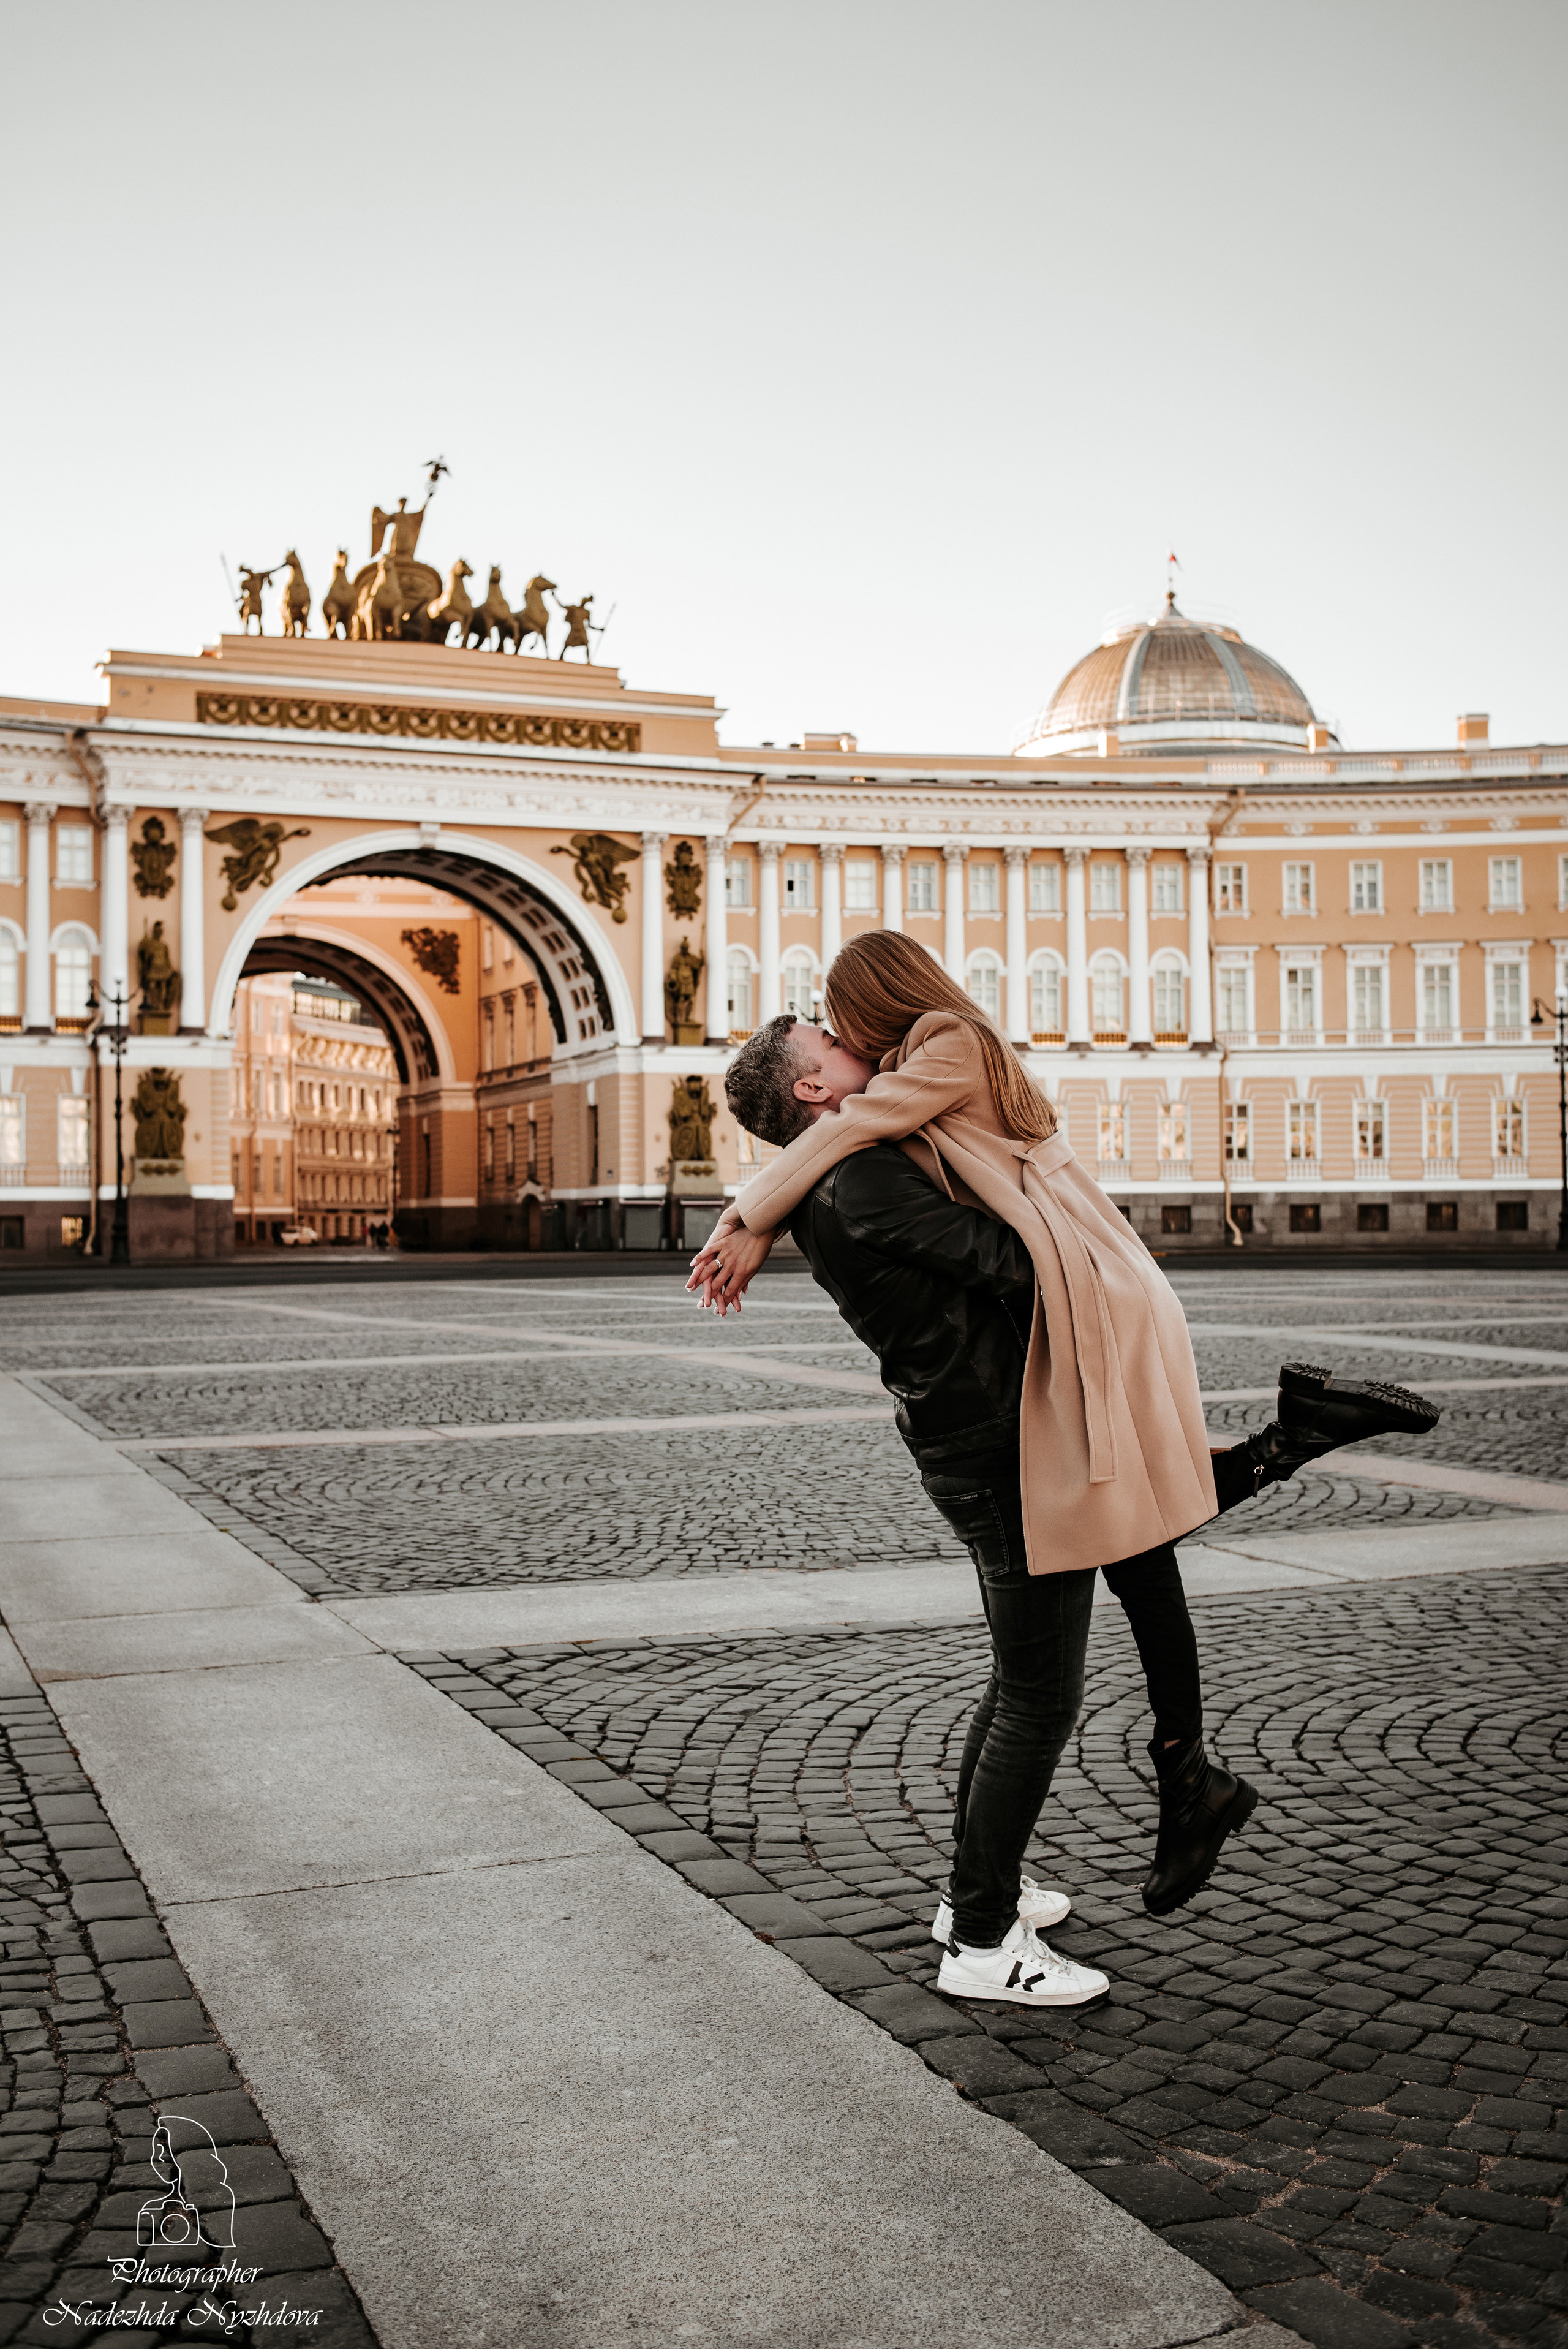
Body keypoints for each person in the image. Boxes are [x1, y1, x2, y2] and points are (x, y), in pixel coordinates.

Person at [702, 978, 1440, 2002]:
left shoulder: (831, 1180)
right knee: (1042, 1697)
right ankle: (980, 1941)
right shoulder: (860, 1181)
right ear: (816, 1084)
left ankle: (980, 1890)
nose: (847, 1037)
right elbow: (1011, 1265)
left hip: (986, 1435)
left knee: (1025, 1673)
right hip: (1003, 1446)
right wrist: (1026, 1188)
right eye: (824, 1036)